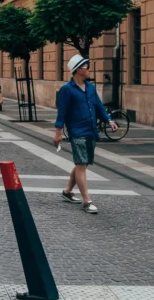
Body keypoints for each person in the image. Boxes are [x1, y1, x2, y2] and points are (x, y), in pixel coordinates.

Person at [53, 55, 116, 215]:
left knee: (83, 163)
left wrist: (109, 121)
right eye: (86, 67)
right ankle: (87, 200)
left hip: (91, 130)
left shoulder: (90, 87)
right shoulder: (67, 89)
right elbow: (62, 112)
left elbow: (99, 106)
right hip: (77, 131)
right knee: (81, 164)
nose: (89, 70)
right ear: (79, 69)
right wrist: (58, 132)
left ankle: (67, 191)